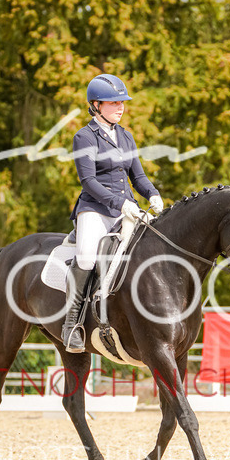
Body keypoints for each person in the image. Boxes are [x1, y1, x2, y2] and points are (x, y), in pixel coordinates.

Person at [62, 73, 164, 353]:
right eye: (114, 103)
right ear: (95, 105)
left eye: (122, 103)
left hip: (127, 209)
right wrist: (120, 204)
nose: (120, 107)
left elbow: (138, 176)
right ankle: (72, 323)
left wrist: (152, 194)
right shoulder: (84, 137)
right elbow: (89, 182)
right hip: (95, 209)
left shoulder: (125, 136)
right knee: (85, 256)